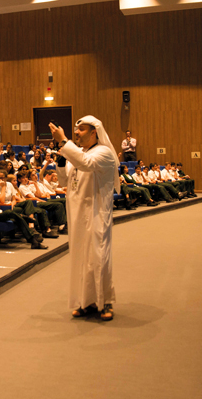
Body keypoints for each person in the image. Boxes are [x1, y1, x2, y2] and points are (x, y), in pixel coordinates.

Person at [49, 116, 117, 321]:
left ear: (94, 131)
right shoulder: (80, 153)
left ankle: (105, 301)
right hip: (78, 214)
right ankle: (85, 302)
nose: (76, 132)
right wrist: (61, 160)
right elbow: (66, 180)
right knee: (80, 258)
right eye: (75, 130)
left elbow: (86, 164)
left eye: (81, 129)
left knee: (98, 257)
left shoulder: (104, 152)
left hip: (97, 213)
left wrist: (64, 143)